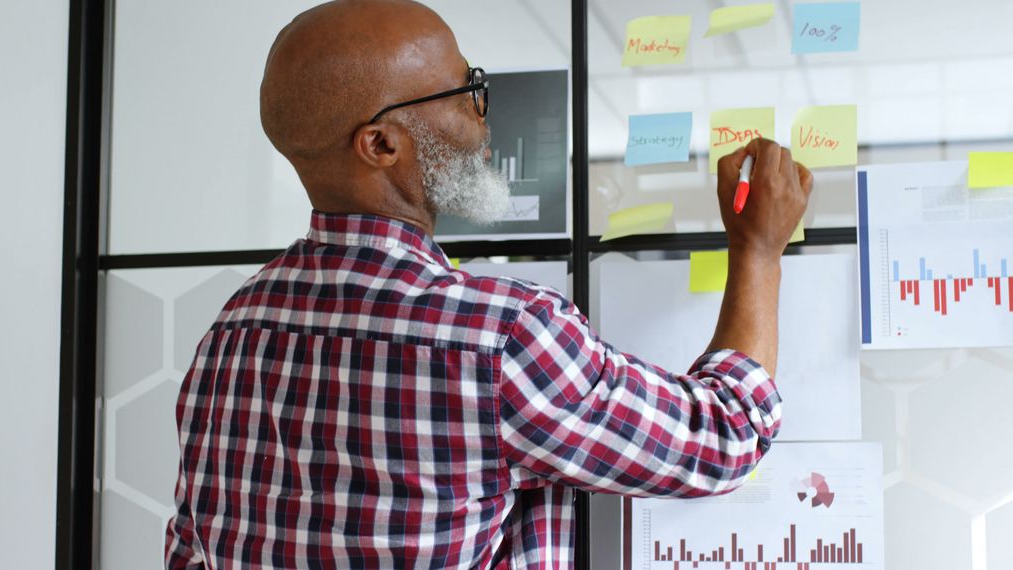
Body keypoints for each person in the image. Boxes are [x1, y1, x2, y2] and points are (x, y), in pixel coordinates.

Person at [164, 0, 813, 568]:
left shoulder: (231, 331)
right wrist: (758, 250)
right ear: (381, 145)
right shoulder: (499, 340)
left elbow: (189, 548)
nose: (482, 112)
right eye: (463, 91)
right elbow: (727, 436)